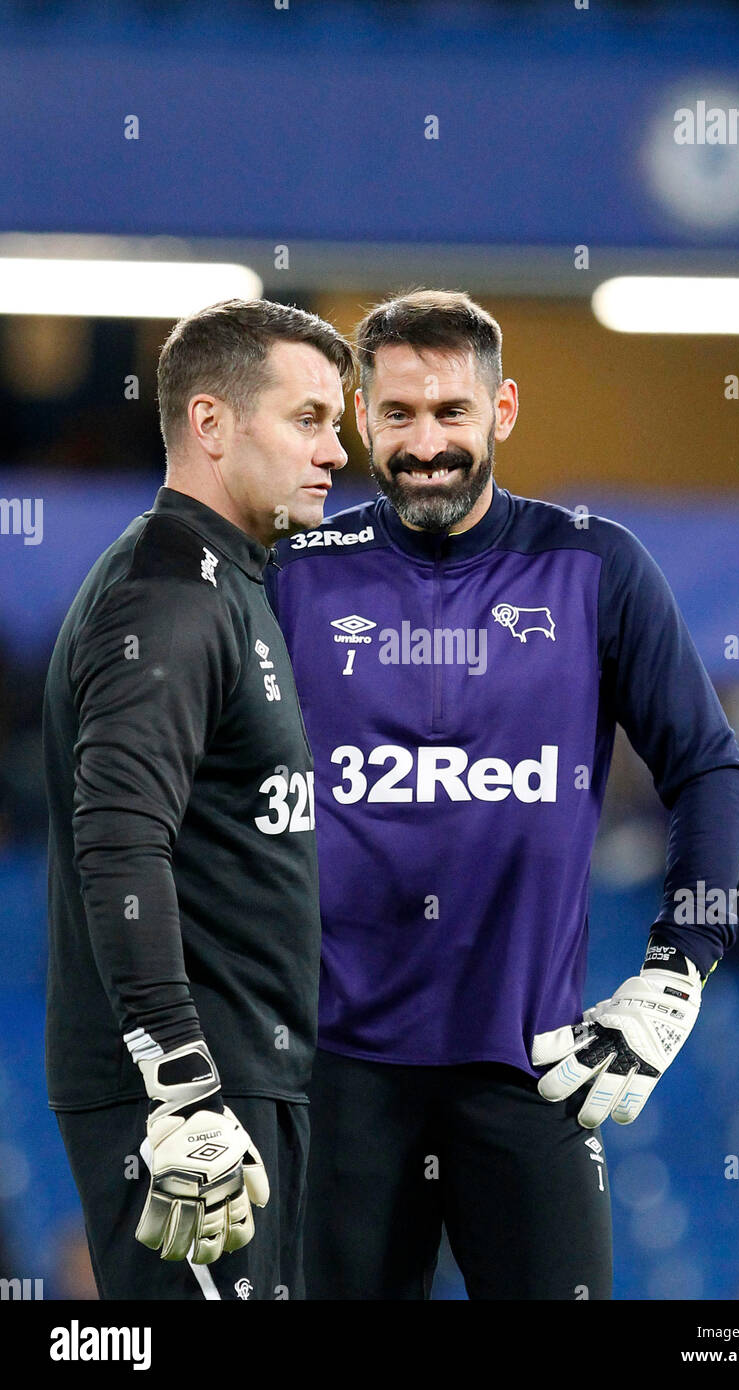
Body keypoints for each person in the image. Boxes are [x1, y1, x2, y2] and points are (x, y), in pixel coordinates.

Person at [270, 289, 739, 1301]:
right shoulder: (290, 575)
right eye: (397, 414)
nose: (424, 442)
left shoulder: (594, 565)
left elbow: (708, 768)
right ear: (361, 417)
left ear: (503, 411)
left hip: (534, 1071)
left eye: (451, 411)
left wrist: (678, 968)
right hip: (337, 1077)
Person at [44, 297, 352, 1300]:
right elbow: (120, 840)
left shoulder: (233, 583)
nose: (336, 450)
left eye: (338, 423)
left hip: (249, 1086)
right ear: (212, 425)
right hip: (191, 1106)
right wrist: (181, 1081)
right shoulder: (165, 595)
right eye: (307, 419)